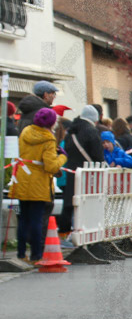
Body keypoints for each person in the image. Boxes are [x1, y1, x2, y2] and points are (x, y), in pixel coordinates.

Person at [9, 107, 66, 263]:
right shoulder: (48, 138)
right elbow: (51, 167)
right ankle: (36, 255)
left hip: (22, 178)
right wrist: (62, 157)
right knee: (36, 220)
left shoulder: (25, 131)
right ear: (52, 123)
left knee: (23, 219)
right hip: (39, 182)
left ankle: (21, 254)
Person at [57, 105, 104, 242]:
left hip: (72, 171)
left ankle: (64, 234)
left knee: (69, 203)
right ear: (94, 119)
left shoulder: (71, 132)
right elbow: (97, 155)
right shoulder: (91, 131)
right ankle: (86, 235)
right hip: (89, 173)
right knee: (88, 204)